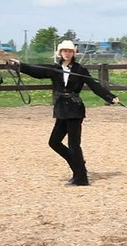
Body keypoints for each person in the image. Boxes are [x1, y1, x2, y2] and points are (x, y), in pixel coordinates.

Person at [8, 40, 120, 186]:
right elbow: (36, 71)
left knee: (74, 145)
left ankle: (81, 178)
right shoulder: (55, 69)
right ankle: (78, 164)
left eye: (70, 51)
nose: (67, 53)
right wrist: (19, 65)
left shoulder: (80, 70)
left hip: (75, 110)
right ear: (60, 53)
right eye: (64, 51)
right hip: (61, 110)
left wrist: (110, 97)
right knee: (54, 142)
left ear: (74, 53)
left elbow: (94, 85)